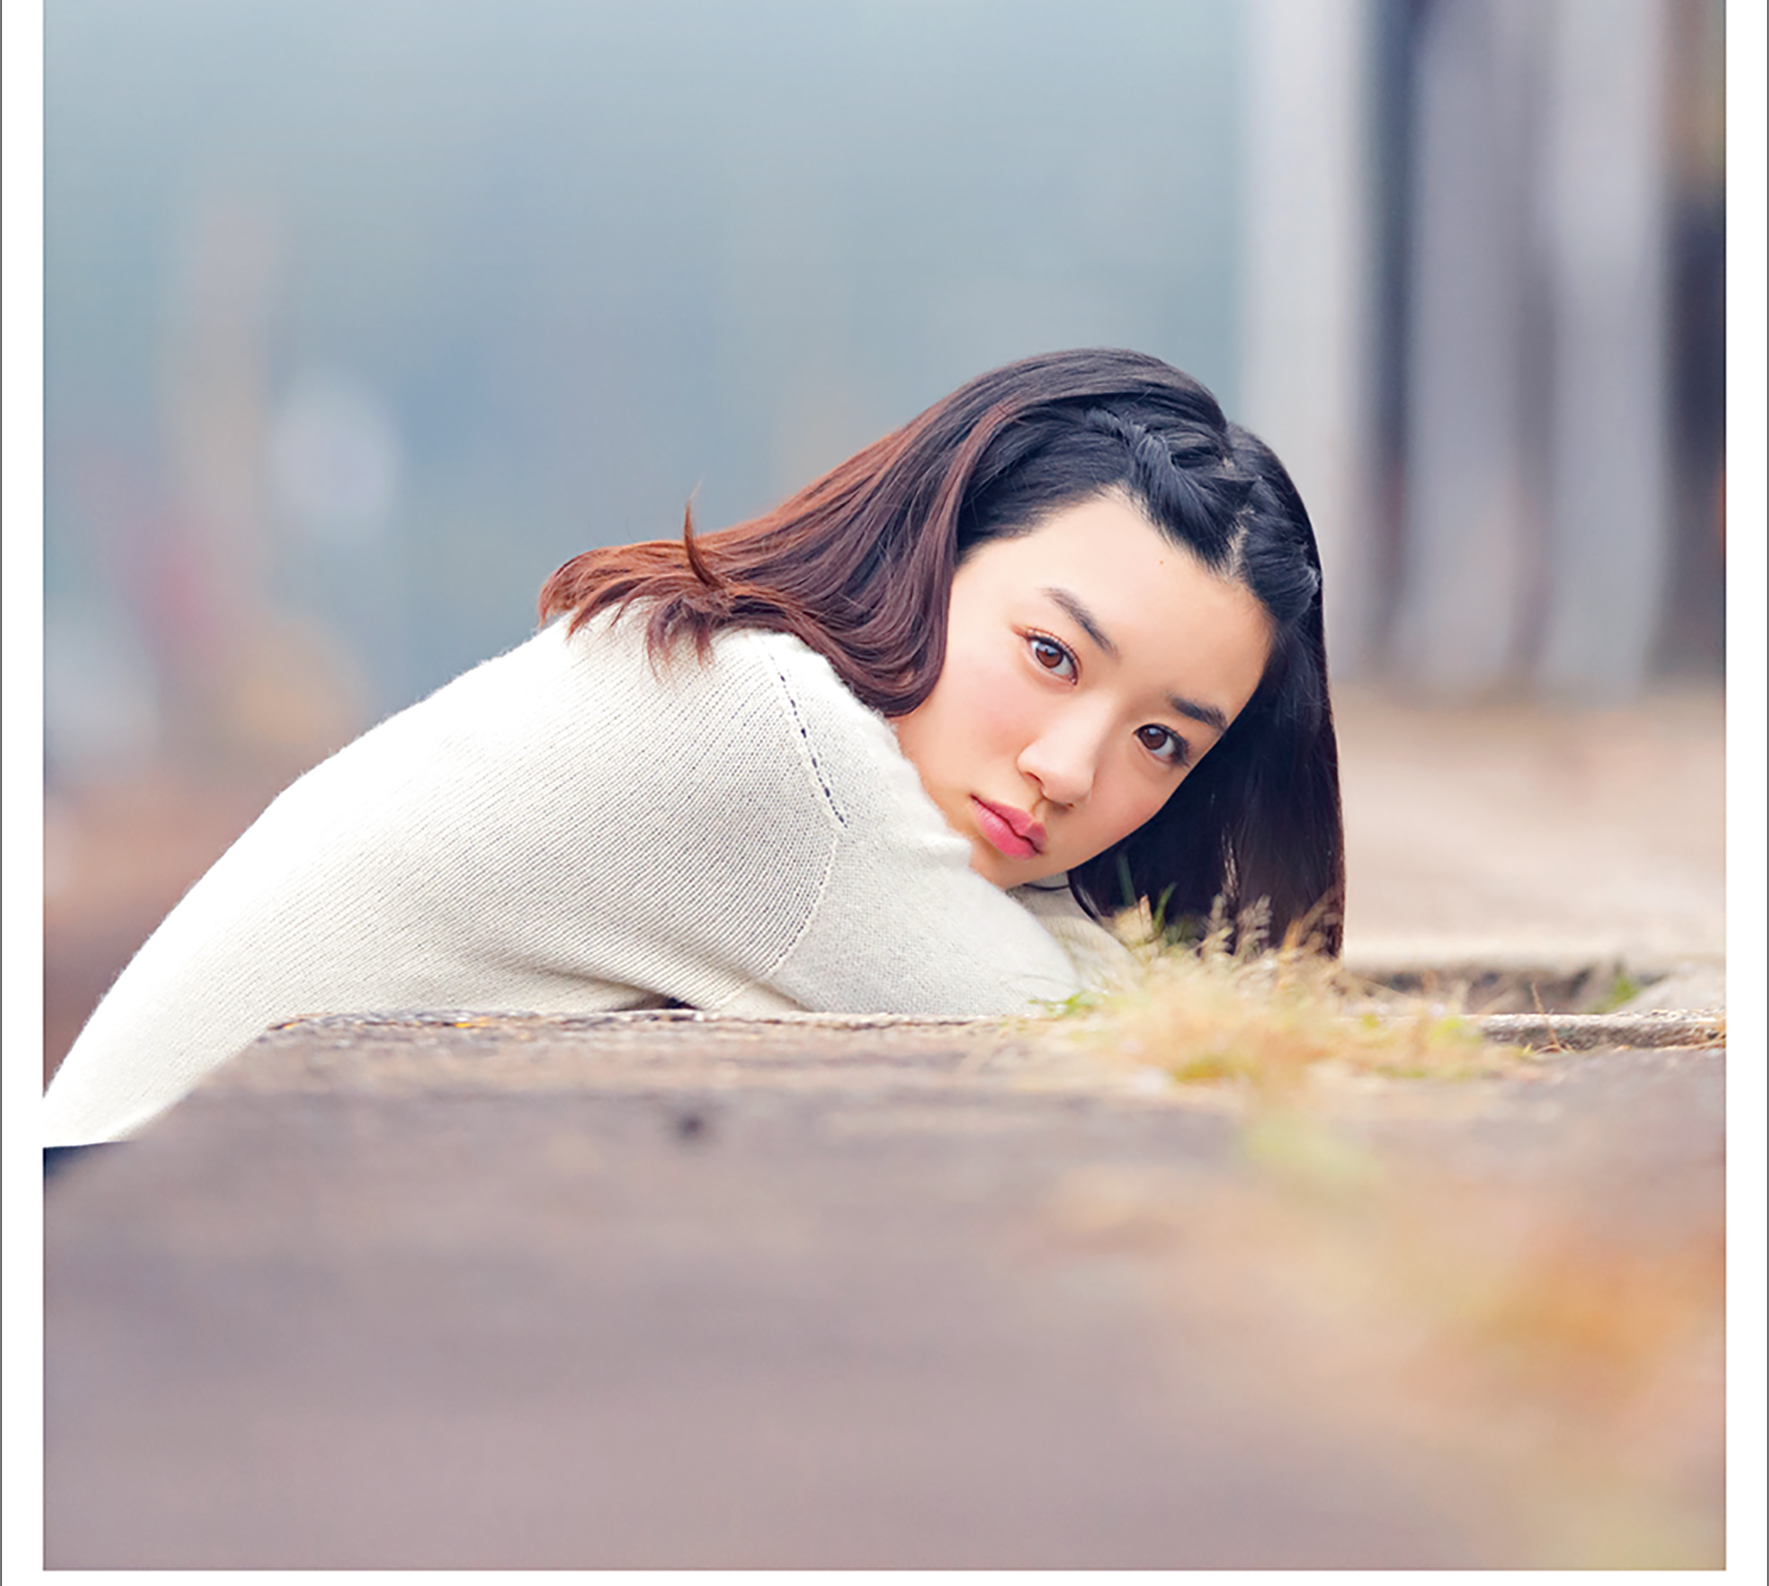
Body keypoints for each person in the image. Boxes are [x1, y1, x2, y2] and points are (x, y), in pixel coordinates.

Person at [41, 349, 1343, 1146]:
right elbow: (1102, 1053)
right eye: (1051, 656)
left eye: (1162, 741)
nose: (1070, 768)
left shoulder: (771, 687)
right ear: (934, 548)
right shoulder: (773, 745)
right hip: (104, 1248)